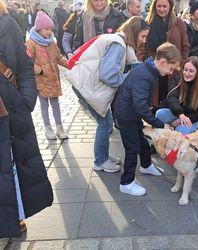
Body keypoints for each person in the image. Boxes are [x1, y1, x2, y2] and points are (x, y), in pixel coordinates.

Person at [67, 16, 149, 173]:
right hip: (85, 86)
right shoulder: (119, 45)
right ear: (134, 32)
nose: (144, 41)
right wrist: (127, 76)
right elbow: (108, 75)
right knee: (104, 124)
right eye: (143, 36)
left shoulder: (119, 40)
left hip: (85, 84)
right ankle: (100, 161)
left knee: (106, 122)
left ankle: (103, 155)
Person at [0, 0, 53, 237]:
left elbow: (24, 67)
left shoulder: (8, 25)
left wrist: (26, 100)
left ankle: (14, 216)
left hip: (9, 111)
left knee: (10, 166)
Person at [113, 42, 181, 196]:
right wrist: (159, 124)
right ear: (163, 62)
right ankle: (126, 183)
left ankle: (146, 165)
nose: (171, 72)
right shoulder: (146, 75)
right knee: (133, 148)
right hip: (126, 115)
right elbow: (140, 106)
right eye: (171, 68)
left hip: (130, 113)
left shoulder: (148, 70)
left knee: (142, 141)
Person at [26, 11, 69, 140]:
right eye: (46, 29)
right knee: (44, 106)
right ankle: (48, 128)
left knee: (55, 104)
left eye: (50, 29)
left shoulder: (51, 42)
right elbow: (28, 62)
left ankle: (59, 127)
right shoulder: (31, 43)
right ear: (39, 29)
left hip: (53, 79)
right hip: (41, 80)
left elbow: (59, 57)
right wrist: (40, 71)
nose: (49, 31)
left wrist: (70, 64)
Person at [141, 0, 189, 107]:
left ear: (170, 6)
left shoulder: (178, 23)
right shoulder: (148, 22)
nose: (161, 9)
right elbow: (142, 47)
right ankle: (155, 120)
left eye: (164, 6)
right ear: (154, 6)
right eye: (159, 6)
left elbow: (185, 46)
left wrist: (182, 64)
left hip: (173, 69)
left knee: (171, 99)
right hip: (154, 67)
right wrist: (139, 64)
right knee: (154, 100)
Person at [156, 56, 198, 134]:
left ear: (197, 72)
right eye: (185, 69)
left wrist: (183, 120)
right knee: (160, 113)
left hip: (192, 117)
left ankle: (196, 127)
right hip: (178, 113)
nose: (187, 74)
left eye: (191, 71)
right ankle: (159, 137)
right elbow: (171, 98)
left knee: (180, 131)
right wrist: (180, 114)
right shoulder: (176, 80)